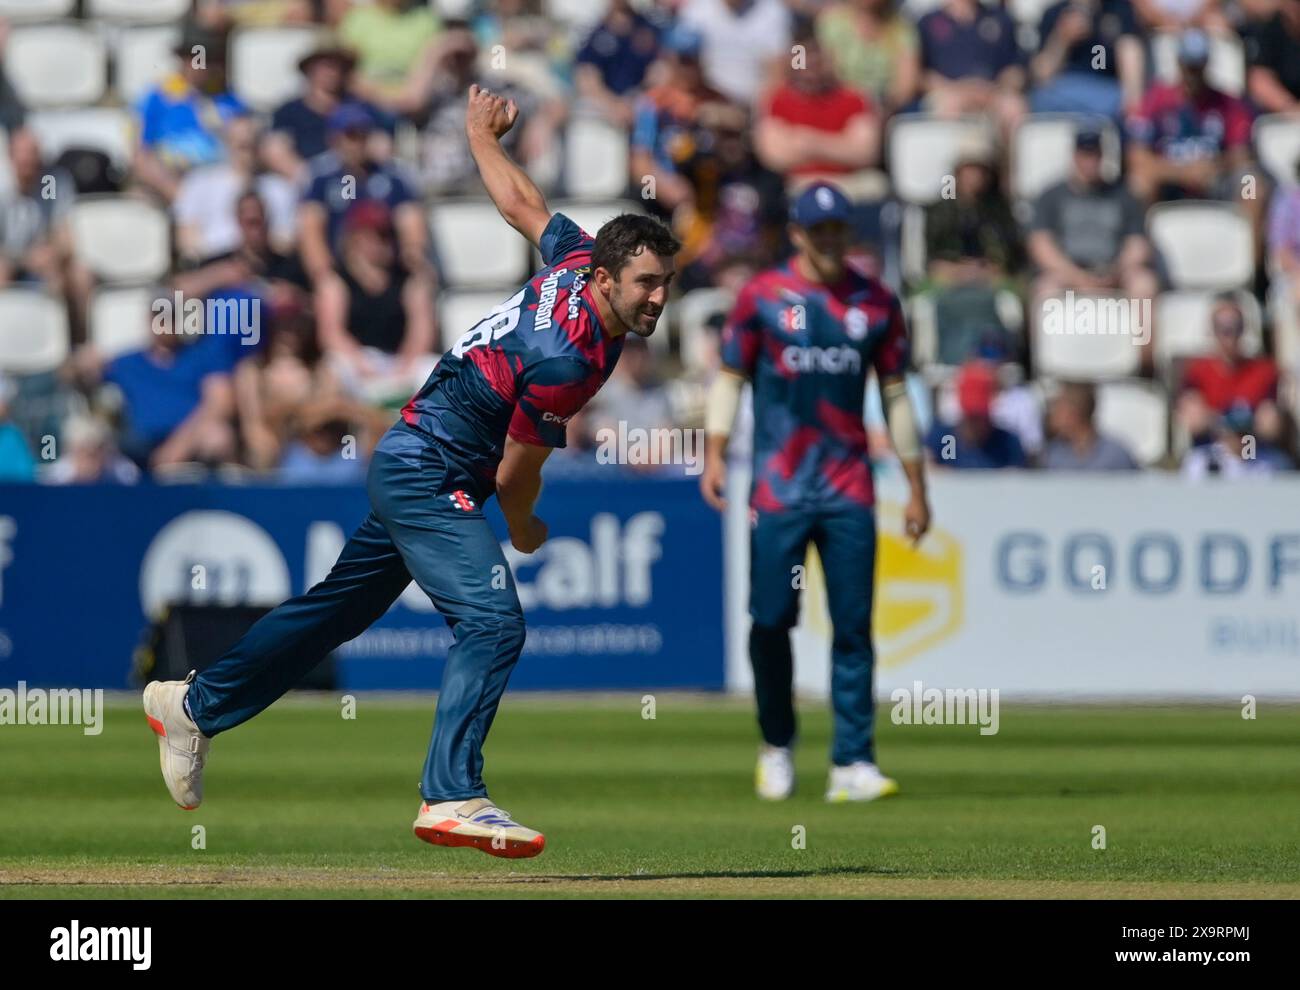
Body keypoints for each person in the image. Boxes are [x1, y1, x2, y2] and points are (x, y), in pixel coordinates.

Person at [142, 85, 681, 859]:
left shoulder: (574, 261)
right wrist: (526, 528)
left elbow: (522, 204)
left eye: (665, 283)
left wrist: (480, 137)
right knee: (494, 621)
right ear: (605, 279)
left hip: (412, 459)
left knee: (333, 613)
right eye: (647, 285)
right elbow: (513, 479)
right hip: (430, 470)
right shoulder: (570, 358)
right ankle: (452, 794)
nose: (659, 298)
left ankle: (193, 705)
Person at [699, 181, 931, 803]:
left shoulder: (877, 304)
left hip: (849, 486)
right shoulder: (762, 298)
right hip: (777, 488)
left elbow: (896, 397)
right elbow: (729, 378)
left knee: (854, 626)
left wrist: (915, 486)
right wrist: (715, 454)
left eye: (837, 229)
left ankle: (852, 763)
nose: (829, 240)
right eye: (817, 229)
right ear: (797, 233)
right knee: (770, 621)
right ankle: (776, 744)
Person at [1040, 381, 1138, 470]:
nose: (1052, 414)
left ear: (1073, 415)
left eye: (1057, 408)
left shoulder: (1116, 455)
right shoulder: (1052, 454)